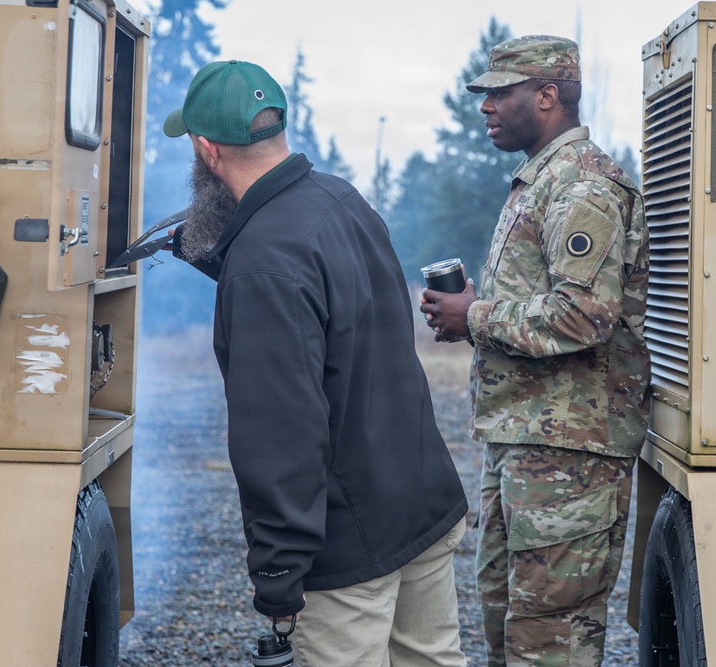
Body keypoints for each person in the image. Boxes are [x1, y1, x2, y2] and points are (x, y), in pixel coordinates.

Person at [163, 59, 469, 666]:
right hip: (420, 502)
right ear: (278, 128)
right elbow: (337, 317)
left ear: (206, 150)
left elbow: (280, 431)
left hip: (350, 542)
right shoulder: (342, 200)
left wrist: (278, 574)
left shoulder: (263, 264)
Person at [419, 35, 650, 666]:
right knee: (510, 628)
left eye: (501, 92)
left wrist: (480, 315)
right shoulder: (540, 180)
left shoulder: (583, 187)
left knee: (548, 642)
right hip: (530, 446)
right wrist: (472, 314)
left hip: (571, 457)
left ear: (547, 96)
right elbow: (548, 299)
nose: (486, 107)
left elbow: (583, 316)